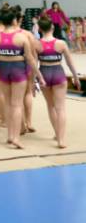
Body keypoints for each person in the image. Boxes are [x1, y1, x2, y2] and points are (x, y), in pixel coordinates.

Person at [0, 9, 43, 149]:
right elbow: (30, 59)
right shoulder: (22, 37)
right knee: (17, 104)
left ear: (2, 21)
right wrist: (39, 75)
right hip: (18, 70)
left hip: (2, 69)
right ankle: (16, 138)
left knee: (8, 103)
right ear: (14, 20)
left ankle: (10, 135)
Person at [35, 17, 80, 148]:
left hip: (44, 73)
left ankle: (57, 133)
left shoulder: (36, 44)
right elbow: (69, 62)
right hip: (58, 73)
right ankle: (61, 140)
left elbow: (33, 64)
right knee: (60, 108)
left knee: (51, 106)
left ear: (39, 29)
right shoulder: (61, 43)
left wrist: (33, 81)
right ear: (53, 27)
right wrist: (75, 77)